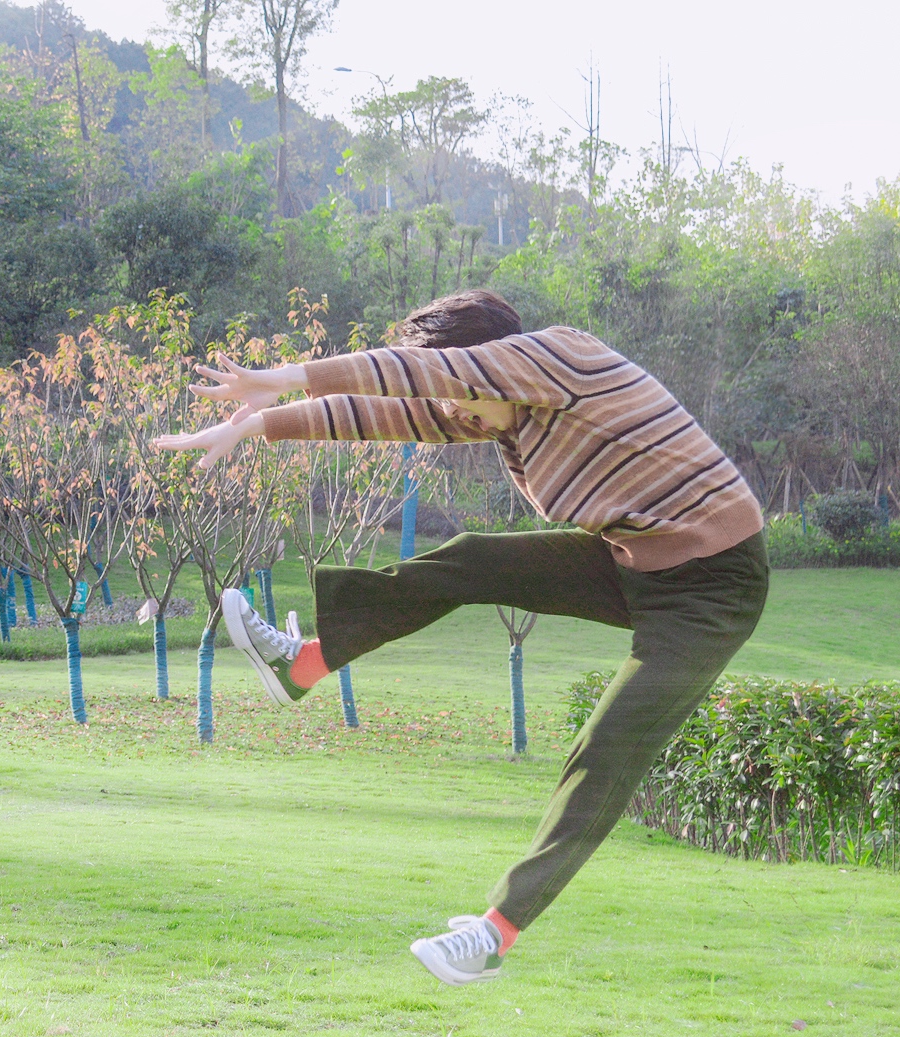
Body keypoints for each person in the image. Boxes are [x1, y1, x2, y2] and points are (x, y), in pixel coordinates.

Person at [157, 290, 768, 987]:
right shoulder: (497, 412)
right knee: (473, 559)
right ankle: (305, 664)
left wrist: (283, 376)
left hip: (715, 586)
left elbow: (406, 376)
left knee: (611, 744)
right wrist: (259, 424)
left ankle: (494, 932)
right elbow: (381, 412)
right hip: (634, 564)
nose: (453, 413)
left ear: (488, 365)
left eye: (458, 390)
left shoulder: (563, 356)